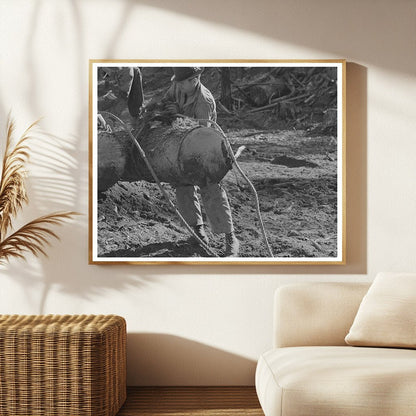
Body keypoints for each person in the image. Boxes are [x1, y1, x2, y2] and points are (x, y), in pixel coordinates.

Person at [128, 67, 239, 257]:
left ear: (195, 79)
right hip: (180, 148)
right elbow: (164, 101)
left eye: (182, 82)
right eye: (177, 82)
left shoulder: (204, 101)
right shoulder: (177, 86)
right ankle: (197, 231)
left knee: (211, 189)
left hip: (205, 151)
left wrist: (179, 112)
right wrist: (164, 108)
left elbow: (200, 134)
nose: (178, 85)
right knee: (182, 185)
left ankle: (230, 238)